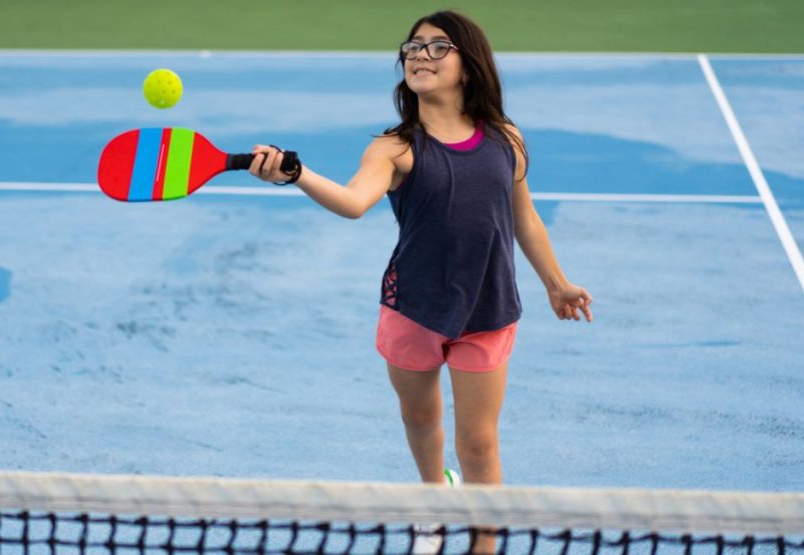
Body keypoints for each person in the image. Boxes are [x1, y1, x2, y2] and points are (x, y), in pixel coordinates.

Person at [249, 9, 593, 553]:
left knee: (478, 442)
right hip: (413, 305)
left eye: (437, 47)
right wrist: (296, 173)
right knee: (420, 417)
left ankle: (484, 542)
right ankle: (433, 499)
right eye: (413, 47)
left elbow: (523, 216)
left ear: (469, 63)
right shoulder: (395, 147)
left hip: (488, 307)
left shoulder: (506, 138)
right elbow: (353, 201)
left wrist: (556, 282)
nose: (419, 55)